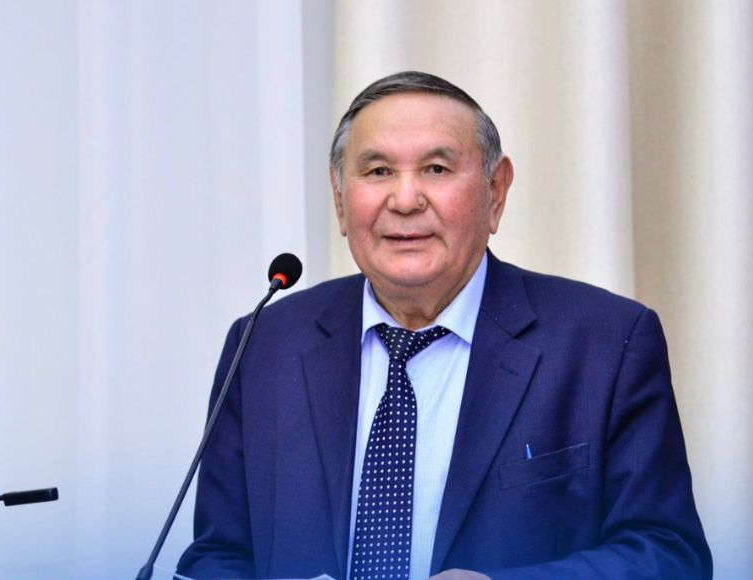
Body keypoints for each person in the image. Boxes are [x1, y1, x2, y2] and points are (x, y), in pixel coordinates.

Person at [177, 71, 712, 579]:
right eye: (378, 171)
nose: (405, 200)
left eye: (436, 169)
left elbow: (668, 554)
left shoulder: (607, 342)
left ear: (495, 192)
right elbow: (217, 555)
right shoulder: (263, 344)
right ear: (340, 201)